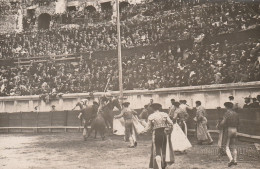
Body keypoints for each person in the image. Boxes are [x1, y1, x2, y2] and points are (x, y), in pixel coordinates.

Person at [141, 103, 174, 169]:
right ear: (159, 108)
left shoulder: (151, 116)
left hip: (156, 133)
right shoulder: (164, 114)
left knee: (157, 150)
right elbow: (171, 123)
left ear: (153, 108)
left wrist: (142, 131)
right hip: (164, 133)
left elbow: (148, 127)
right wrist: (169, 131)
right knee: (164, 149)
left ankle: (159, 167)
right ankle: (164, 166)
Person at [218, 102, 239, 167]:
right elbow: (238, 123)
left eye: (225, 106)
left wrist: (219, 125)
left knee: (226, 146)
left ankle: (231, 160)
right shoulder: (236, 114)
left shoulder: (227, 113)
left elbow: (223, 122)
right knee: (233, 146)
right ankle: (235, 160)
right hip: (235, 129)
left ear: (226, 107)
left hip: (228, 129)